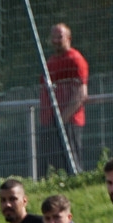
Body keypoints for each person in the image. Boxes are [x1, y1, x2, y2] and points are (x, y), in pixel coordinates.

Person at [39, 23, 88, 173]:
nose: (56, 40)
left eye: (59, 36)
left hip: (68, 122)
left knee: (71, 164)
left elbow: (81, 94)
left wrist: (62, 118)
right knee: (53, 165)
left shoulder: (75, 59)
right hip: (49, 122)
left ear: (68, 38)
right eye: (53, 36)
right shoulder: (50, 62)